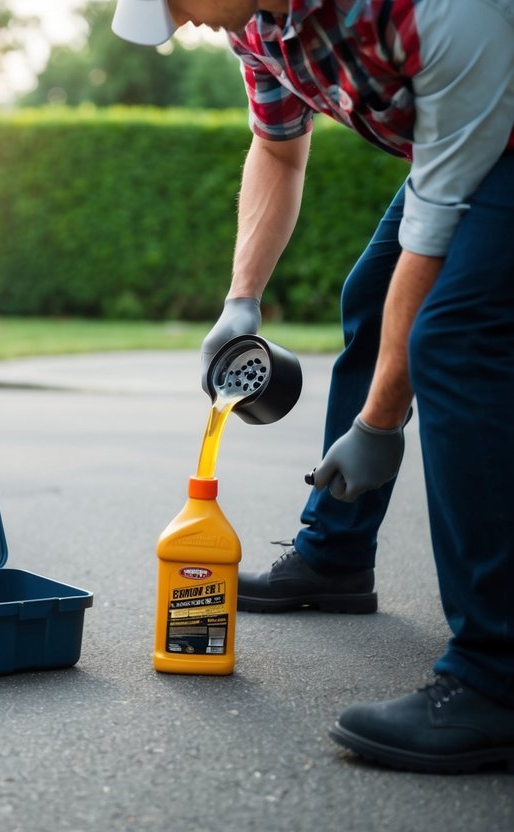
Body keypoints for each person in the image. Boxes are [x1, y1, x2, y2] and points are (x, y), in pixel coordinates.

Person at [111, 0, 514, 773]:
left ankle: (495, 675)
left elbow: (430, 232)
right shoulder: (252, 29)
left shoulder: (431, 10)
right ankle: (335, 554)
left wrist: (380, 423)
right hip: (464, 141)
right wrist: (240, 301)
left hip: (497, 130)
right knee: (371, 297)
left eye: (174, 3)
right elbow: (276, 150)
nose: (179, 22)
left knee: (454, 340)